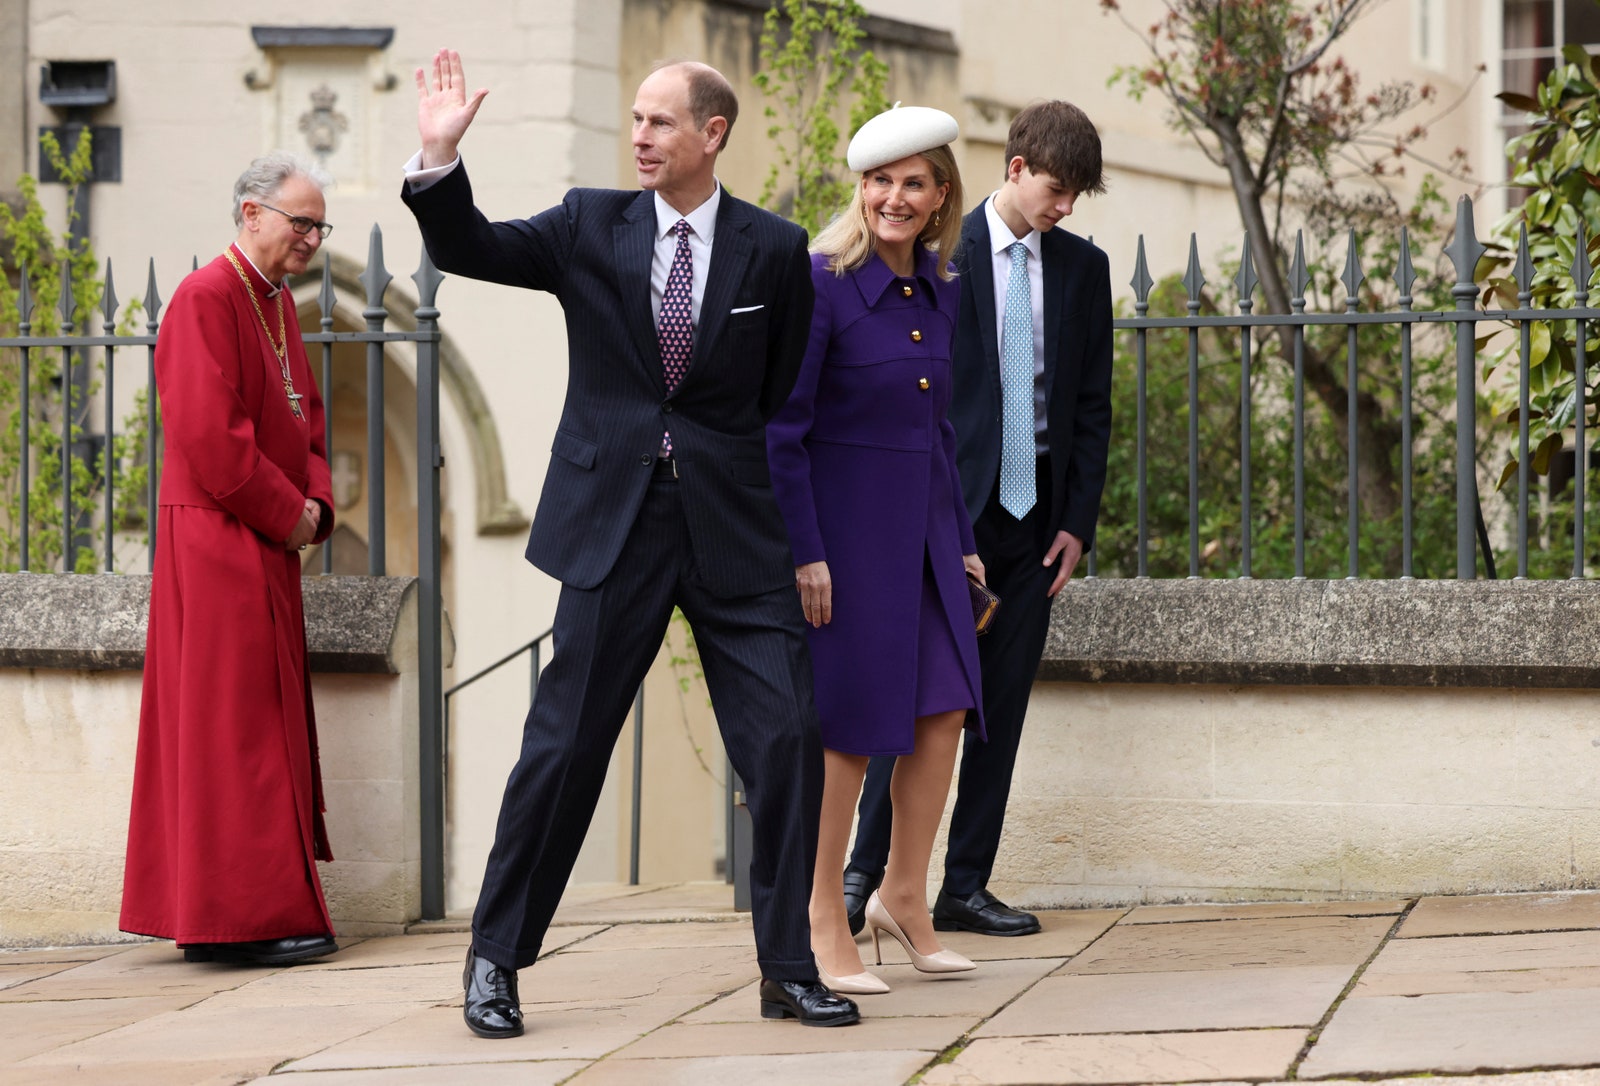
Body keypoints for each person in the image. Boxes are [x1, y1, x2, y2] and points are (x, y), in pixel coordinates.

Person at [401, 51, 858, 1036]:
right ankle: (494, 960)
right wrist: (439, 156)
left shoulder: (773, 248)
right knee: (562, 747)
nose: (640, 137)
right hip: (617, 522)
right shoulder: (586, 224)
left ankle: (787, 967)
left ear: (712, 134)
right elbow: (474, 247)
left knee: (785, 740)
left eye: (660, 122)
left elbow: (777, 388)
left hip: (735, 530)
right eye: (637, 121)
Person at [844, 100, 1114, 939]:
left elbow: (1092, 406)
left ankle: (964, 886)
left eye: (1077, 196)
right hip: (943, 521)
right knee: (916, 703)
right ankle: (862, 878)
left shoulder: (1083, 268)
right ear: (1016, 169)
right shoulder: (939, 258)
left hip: (1033, 531)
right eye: (1057, 189)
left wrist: (1076, 521)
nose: (1064, 207)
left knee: (1001, 708)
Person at [767, 105, 983, 994]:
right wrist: (806, 551)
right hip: (846, 543)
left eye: (914, 183)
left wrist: (965, 545)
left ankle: (904, 893)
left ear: (939, 199)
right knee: (848, 739)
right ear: (859, 189)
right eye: (880, 181)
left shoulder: (940, 287)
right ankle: (823, 918)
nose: (895, 197)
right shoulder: (818, 281)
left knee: (943, 716)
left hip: (927, 537)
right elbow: (782, 430)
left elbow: (937, 433)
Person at [120, 152, 339, 966]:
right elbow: (212, 440)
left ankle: (262, 907)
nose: (312, 238)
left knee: (266, 724)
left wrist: (312, 509)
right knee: (231, 731)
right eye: (301, 221)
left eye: (320, 225)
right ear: (251, 214)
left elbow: (307, 418)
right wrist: (289, 516)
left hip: (266, 539)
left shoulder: (278, 305)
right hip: (216, 540)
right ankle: (230, 920)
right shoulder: (204, 297)